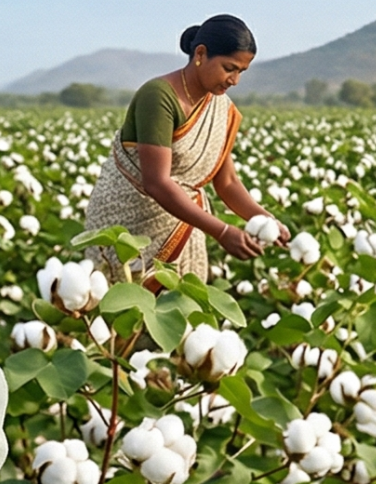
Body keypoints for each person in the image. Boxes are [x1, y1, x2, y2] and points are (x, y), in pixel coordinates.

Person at [83, 15, 287, 283]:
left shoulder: (220, 109)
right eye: (229, 68)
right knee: (122, 310)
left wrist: (266, 219)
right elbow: (156, 182)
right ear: (200, 53)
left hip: (182, 222)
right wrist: (223, 232)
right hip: (128, 225)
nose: (234, 80)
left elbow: (227, 182)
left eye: (241, 72)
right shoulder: (159, 96)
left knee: (175, 313)